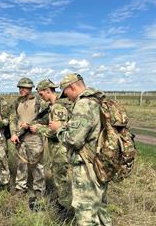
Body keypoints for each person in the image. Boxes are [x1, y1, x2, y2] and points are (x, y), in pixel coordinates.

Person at [49, 73, 112, 226]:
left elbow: (74, 140)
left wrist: (59, 129)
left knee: (85, 212)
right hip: (99, 162)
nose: (67, 97)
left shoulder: (83, 104)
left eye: (66, 92)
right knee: (100, 209)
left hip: (86, 167)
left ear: (72, 87)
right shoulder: (98, 100)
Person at [28, 79, 72, 215]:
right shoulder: (53, 106)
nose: (41, 97)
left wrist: (38, 129)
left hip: (61, 148)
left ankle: (65, 207)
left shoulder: (57, 107)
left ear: (48, 91)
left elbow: (57, 132)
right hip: (57, 148)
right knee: (58, 176)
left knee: (61, 178)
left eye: (41, 94)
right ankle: (62, 201)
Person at [10, 77, 46, 206]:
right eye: (19, 87)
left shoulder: (39, 102)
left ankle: (39, 190)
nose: (21, 90)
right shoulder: (17, 102)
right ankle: (21, 187)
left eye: (23, 88)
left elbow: (45, 119)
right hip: (20, 137)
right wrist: (13, 133)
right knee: (21, 163)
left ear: (30, 88)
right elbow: (12, 119)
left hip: (34, 137)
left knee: (37, 164)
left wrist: (31, 125)